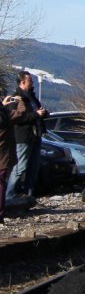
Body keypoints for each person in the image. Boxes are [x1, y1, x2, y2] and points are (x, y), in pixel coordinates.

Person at [6, 71, 49, 204]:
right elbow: (15, 118)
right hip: (23, 137)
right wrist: (36, 114)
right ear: (22, 82)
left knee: (33, 167)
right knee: (20, 168)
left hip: (36, 136)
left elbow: (39, 111)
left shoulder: (32, 97)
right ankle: (9, 195)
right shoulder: (16, 98)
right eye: (30, 80)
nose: (32, 82)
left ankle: (29, 195)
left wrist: (43, 113)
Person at [1, 93, 27, 223]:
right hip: (3, 156)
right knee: (1, 186)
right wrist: (20, 101)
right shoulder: (5, 115)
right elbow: (21, 113)